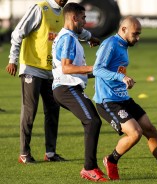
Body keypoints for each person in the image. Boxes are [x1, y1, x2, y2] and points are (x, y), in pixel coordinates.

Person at [5, 0, 100, 164]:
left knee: (53, 111)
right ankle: (24, 153)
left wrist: (90, 37)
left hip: (52, 71)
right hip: (32, 68)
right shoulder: (40, 9)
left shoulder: (65, 13)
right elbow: (17, 33)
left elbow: (75, 28)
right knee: (30, 111)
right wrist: (13, 59)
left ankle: (50, 153)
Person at [93, 16, 157, 181]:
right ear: (123, 30)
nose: (138, 38)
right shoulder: (110, 44)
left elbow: (117, 70)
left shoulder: (122, 45)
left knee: (150, 129)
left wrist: (124, 81)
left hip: (123, 98)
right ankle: (111, 160)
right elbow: (97, 69)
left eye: (139, 34)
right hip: (108, 101)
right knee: (135, 133)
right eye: (135, 34)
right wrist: (121, 78)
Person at [51, 3, 107, 182]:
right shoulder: (67, 38)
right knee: (92, 121)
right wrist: (93, 67)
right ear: (74, 18)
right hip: (66, 87)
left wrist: (100, 73)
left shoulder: (69, 37)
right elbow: (67, 68)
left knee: (91, 121)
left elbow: (73, 69)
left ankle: (91, 166)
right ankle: (89, 168)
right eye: (83, 18)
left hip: (68, 87)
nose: (85, 21)